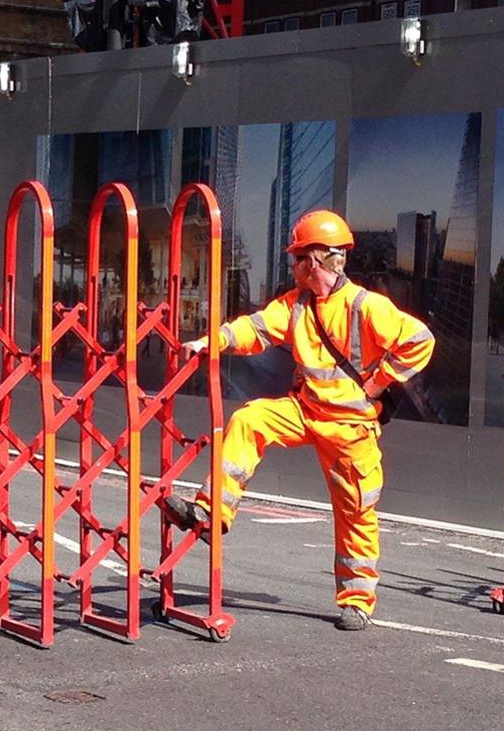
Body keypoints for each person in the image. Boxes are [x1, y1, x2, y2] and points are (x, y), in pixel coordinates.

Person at [165, 210, 435, 631]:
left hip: (350, 429)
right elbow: (253, 329)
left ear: (317, 261)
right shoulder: (295, 306)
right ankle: (211, 511)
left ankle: (357, 602)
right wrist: (209, 342)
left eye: (297, 258)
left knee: (356, 514)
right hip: (306, 411)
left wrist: (378, 383)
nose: (293, 267)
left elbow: (420, 340)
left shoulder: (367, 306)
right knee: (251, 419)